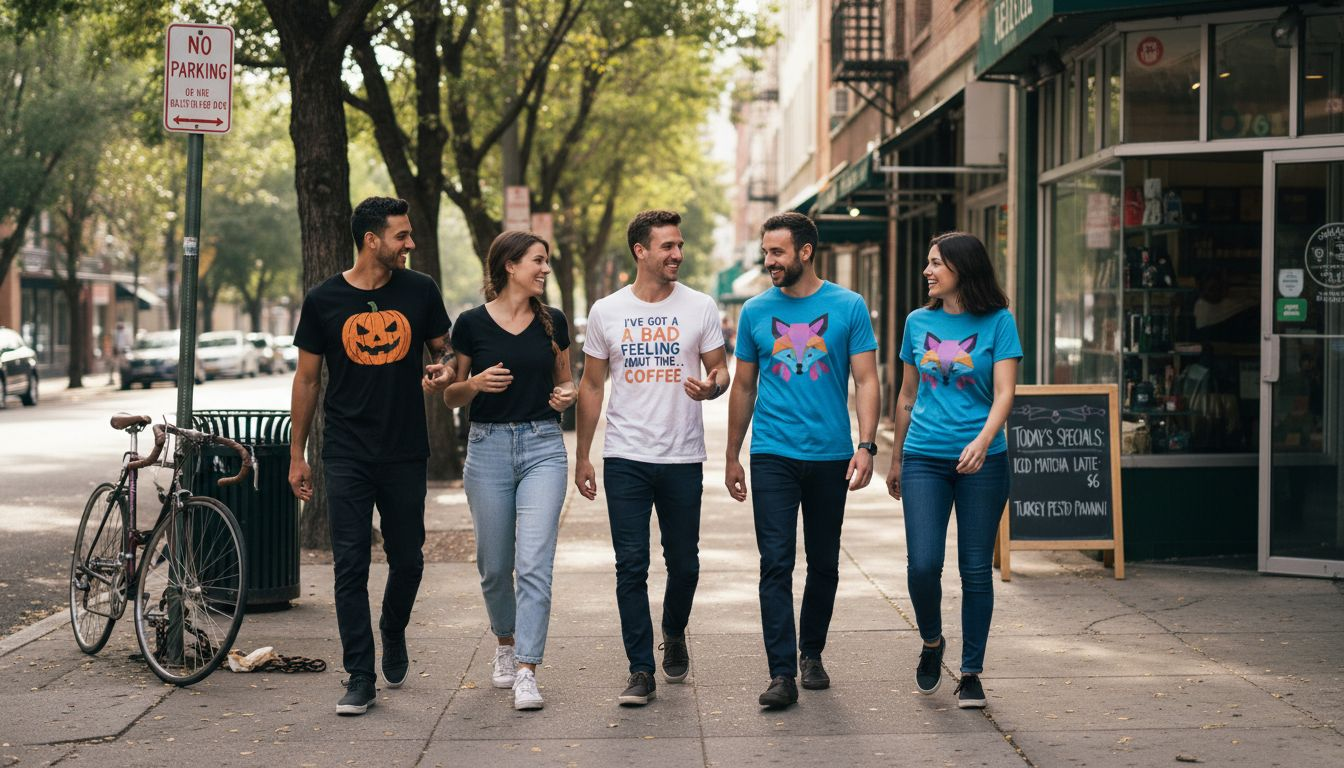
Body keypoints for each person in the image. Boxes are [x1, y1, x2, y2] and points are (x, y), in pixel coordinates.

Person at [289, 196, 457, 716]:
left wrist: (445, 369)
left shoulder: (420, 290)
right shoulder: (324, 299)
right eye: (402, 236)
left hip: (405, 448)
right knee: (350, 564)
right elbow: (308, 378)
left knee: (408, 558)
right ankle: (359, 673)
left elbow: (443, 350)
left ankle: (393, 627)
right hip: (346, 450)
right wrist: (298, 454)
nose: (410, 244)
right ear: (371, 240)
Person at [725, 211, 879, 710]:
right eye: (766, 252)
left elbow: (868, 380)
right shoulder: (754, 312)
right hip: (773, 452)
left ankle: (811, 653)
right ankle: (781, 673)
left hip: (831, 453)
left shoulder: (848, 306)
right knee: (775, 563)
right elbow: (744, 386)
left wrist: (867, 444)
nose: (769, 261)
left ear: (806, 251)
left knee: (824, 563)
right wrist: (732, 453)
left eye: (777, 252)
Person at [574, 209, 729, 707]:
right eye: (667, 246)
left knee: (684, 565)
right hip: (626, 456)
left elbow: (720, 370)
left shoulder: (700, 306)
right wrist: (583, 455)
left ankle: (674, 630)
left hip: (682, 456)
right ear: (640, 251)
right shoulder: (606, 311)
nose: (677, 254)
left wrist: (711, 388)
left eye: (679, 245)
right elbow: (593, 385)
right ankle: (640, 668)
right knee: (631, 566)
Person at [885, 231, 1021, 710]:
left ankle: (971, 672)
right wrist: (897, 457)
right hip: (924, 456)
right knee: (923, 565)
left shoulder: (999, 323)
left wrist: (983, 442)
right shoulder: (917, 322)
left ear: (962, 268)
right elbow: (906, 394)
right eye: (927, 261)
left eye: (936, 262)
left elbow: (1005, 393)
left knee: (975, 570)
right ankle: (931, 641)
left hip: (984, 463)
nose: (928, 270)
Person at [442, 231, 575, 712]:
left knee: (535, 565)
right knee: (495, 567)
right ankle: (504, 642)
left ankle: (526, 669)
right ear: (510, 266)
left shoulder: (553, 321)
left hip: (543, 446)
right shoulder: (471, 325)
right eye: (538, 261)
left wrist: (568, 396)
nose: (545, 269)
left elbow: (567, 381)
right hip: (488, 448)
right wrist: (473, 382)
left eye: (546, 261)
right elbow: (451, 395)